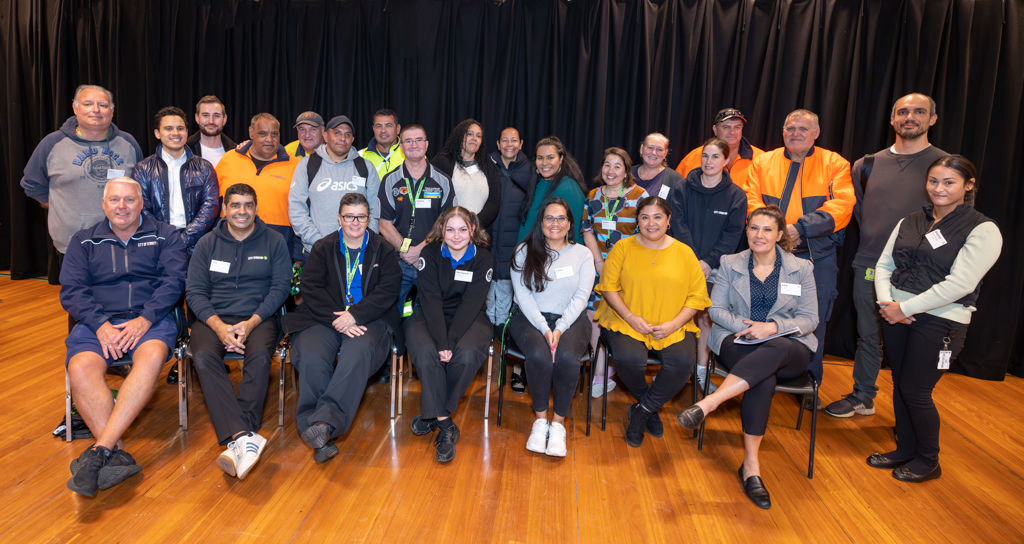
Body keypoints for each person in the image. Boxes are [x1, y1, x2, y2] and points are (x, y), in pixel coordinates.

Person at [867, 155, 1001, 483]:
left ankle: (928, 459)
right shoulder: (911, 220)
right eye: (934, 181)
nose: (939, 188)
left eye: (949, 182)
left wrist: (905, 308)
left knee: (917, 390)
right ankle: (904, 448)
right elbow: (885, 265)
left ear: (969, 186)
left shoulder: (983, 229)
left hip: (941, 321)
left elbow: (961, 284)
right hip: (896, 314)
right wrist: (888, 302)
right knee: (900, 384)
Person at [676, 205, 818, 509]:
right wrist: (748, 328)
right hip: (738, 340)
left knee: (775, 348)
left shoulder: (801, 268)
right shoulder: (730, 263)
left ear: (780, 234)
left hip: (789, 345)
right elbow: (715, 310)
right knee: (761, 379)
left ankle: (709, 403)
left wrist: (772, 328)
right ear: (747, 230)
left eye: (767, 229)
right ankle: (751, 467)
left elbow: (810, 319)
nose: (759, 235)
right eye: (754, 228)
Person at [60, 178, 186, 496]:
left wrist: (145, 320)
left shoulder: (165, 235)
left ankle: (98, 451)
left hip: (151, 320)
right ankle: (112, 453)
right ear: (103, 205)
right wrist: (100, 324)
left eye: (129, 200)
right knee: (80, 368)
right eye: (114, 200)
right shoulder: (84, 241)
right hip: (97, 322)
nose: (122, 207)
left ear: (141, 203)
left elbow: (174, 282)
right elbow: (73, 290)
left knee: (152, 356)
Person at [825, 93, 948, 418]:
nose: (910, 117)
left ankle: (910, 410)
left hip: (922, 273)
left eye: (919, 112)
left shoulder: (944, 166)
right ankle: (863, 394)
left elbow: (956, 222)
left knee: (914, 344)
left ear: (932, 119)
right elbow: (862, 213)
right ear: (892, 119)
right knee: (868, 335)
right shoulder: (867, 165)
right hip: (869, 263)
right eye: (903, 112)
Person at [744, 109, 855, 399]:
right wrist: (773, 231)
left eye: (803, 129)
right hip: (768, 257)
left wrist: (799, 229)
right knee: (761, 313)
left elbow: (842, 206)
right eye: (790, 128)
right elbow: (750, 200)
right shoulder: (763, 162)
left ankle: (809, 385)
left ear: (816, 133)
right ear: (783, 131)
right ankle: (758, 379)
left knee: (813, 321)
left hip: (815, 259)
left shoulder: (834, 164)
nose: (796, 133)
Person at [283, 193, 402, 463]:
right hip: (323, 316)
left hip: (371, 318)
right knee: (312, 355)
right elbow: (311, 289)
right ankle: (320, 432)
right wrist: (340, 319)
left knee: (356, 353)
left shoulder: (383, 249)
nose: (355, 222)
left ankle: (321, 425)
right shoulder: (323, 247)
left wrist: (355, 315)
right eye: (349, 216)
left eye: (361, 216)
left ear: (368, 218)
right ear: (339, 218)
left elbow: (388, 290)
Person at [185, 183, 291, 479]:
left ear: (256, 209)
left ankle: (236, 438)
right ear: (225, 209)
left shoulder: (274, 241)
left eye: (247, 205)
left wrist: (252, 321)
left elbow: (281, 287)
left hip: (258, 318)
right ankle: (245, 437)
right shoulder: (207, 243)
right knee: (203, 357)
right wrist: (218, 326)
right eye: (235, 205)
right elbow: (194, 291)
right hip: (212, 318)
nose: (242, 211)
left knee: (258, 357)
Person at [595, 197, 711, 447]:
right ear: (637, 220)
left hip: (673, 324)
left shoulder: (684, 252)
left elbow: (697, 297)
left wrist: (675, 324)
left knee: (682, 362)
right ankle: (649, 406)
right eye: (645, 217)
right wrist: (630, 317)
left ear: (669, 221)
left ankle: (642, 411)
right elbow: (608, 288)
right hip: (626, 319)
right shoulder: (622, 248)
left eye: (657, 217)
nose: (651, 223)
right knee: (628, 360)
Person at [21, 84, 144, 269]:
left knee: (121, 296)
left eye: (103, 105)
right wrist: (58, 207)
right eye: (88, 103)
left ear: (111, 110)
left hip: (122, 240)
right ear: (75, 108)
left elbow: (139, 186)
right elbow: (32, 184)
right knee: (78, 297)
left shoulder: (128, 143)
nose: (96, 110)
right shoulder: (52, 143)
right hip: (73, 242)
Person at [406, 207, 493, 463]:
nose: (457, 236)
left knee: (465, 354)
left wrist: (451, 341)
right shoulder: (430, 253)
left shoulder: (483, 258)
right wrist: (442, 342)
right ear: (441, 230)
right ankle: (445, 425)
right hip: (431, 314)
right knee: (425, 350)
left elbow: (471, 304)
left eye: (463, 229)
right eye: (450, 229)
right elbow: (430, 299)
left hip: (470, 316)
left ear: (472, 230)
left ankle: (432, 413)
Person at [509, 197, 595, 456]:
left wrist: (559, 327)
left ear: (570, 224)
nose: (555, 223)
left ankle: (558, 425)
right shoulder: (523, 251)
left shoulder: (583, 254)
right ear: (541, 222)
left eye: (561, 218)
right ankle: (540, 420)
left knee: (568, 358)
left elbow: (582, 297)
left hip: (570, 318)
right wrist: (545, 330)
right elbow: (523, 298)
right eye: (549, 218)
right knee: (539, 356)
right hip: (529, 317)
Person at [667, 137, 747, 392]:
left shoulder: (736, 196)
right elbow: (676, 225)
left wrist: (708, 262)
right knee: (674, 315)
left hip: (716, 268)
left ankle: (700, 372)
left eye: (715, 157)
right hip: (682, 263)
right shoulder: (680, 188)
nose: (708, 161)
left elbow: (732, 236)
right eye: (705, 156)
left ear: (726, 161)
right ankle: (674, 369)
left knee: (705, 321)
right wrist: (693, 260)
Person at [377, 125, 458, 351]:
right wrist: (405, 250)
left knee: (430, 316)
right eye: (408, 141)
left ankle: (425, 362)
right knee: (390, 313)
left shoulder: (442, 181)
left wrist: (420, 249)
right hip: (397, 261)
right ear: (401, 146)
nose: (413, 145)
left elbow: (447, 223)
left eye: (418, 140)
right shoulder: (390, 180)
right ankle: (389, 360)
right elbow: (383, 223)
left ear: (426, 145)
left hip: (432, 260)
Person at [581, 147, 649, 397]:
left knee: (619, 314)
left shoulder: (640, 195)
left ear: (626, 171)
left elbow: (646, 232)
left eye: (617, 166)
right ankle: (600, 371)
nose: (611, 171)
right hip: (599, 266)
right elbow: (587, 229)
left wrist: (621, 264)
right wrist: (598, 261)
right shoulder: (593, 195)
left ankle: (614, 367)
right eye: (607, 165)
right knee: (593, 314)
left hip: (627, 267)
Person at [133, 106, 220, 257]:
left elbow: (210, 206)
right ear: (157, 133)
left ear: (186, 132)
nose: (175, 133)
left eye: (180, 128)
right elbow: (141, 207)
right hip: (157, 244)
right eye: (168, 128)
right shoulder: (142, 169)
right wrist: (166, 237)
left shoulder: (205, 167)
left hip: (197, 245)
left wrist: (184, 239)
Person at [216, 113, 303, 260]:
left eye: (274, 134)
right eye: (263, 134)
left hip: (278, 248)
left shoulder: (295, 166)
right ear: (251, 133)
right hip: (229, 244)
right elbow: (213, 203)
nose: (269, 139)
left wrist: (297, 252)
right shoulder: (228, 159)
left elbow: (303, 209)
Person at [290, 115, 381, 254]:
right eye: (337, 133)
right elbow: (296, 208)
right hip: (317, 250)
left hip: (358, 251)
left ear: (352, 139)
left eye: (347, 134)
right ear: (325, 136)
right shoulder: (307, 165)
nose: (342, 138)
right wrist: (319, 242)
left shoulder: (366, 167)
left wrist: (362, 240)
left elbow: (376, 210)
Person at [487, 127, 531, 336]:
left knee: (507, 288)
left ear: (521, 144)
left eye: (514, 140)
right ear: (498, 144)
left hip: (515, 240)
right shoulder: (487, 166)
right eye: (504, 140)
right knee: (486, 288)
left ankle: (503, 335)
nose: (509, 145)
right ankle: (486, 335)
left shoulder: (530, 170)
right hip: (488, 238)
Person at [431, 118, 502, 229]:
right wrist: (454, 225)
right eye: (470, 134)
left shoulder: (488, 166)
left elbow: (494, 201)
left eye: (478, 136)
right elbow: (432, 196)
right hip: (449, 232)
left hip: (478, 233)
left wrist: (474, 224)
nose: (474, 139)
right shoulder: (442, 162)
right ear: (459, 136)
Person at [519, 136, 588, 245]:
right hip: (531, 255)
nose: (544, 163)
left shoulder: (568, 188)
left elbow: (572, 233)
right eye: (540, 158)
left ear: (561, 159)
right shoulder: (540, 183)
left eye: (550, 157)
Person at [675, 108, 765, 189]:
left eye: (737, 127)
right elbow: (677, 192)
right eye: (726, 127)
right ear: (715, 130)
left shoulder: (761, 159)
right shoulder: (693, 158)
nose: (732, 132)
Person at [186, 95, 236, 167]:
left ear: (224, 120)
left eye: (216, 116)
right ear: (197, 118)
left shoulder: (236, 151)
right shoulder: (185, 150)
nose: (211, 121)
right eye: (205, 115)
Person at [632, 133, 683, 201]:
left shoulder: (675, 179)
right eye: (650, 147)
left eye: (659, 149)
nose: (654, 153)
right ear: (641, 149)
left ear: (665, 154)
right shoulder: (627, 172)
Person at [360, 108, 404, 178]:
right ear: (373, 129)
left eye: (388, 125)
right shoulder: (359, 156)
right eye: (379, 126)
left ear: (398, 129)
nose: (383, 130)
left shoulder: (410, 153)